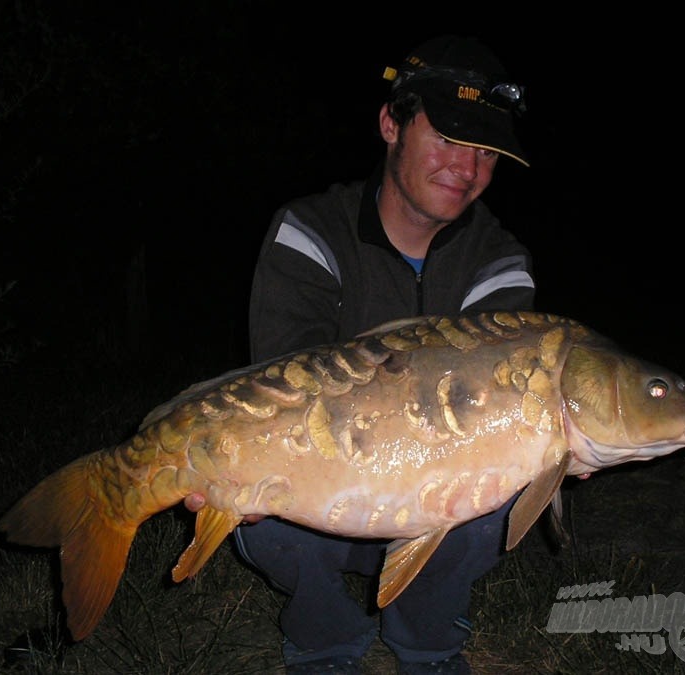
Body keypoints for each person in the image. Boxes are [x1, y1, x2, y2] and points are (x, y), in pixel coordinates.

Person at [189, 34, 535, 674]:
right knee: (256, 495)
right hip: (322, 504)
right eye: (450, 137)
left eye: (486, 151)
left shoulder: (498, 261)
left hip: (436, 500)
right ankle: (324, 642)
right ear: (390, 124)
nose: (468, 168)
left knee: (512, 480)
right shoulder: (309, 231)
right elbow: (289, 391)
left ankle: (428, 644)